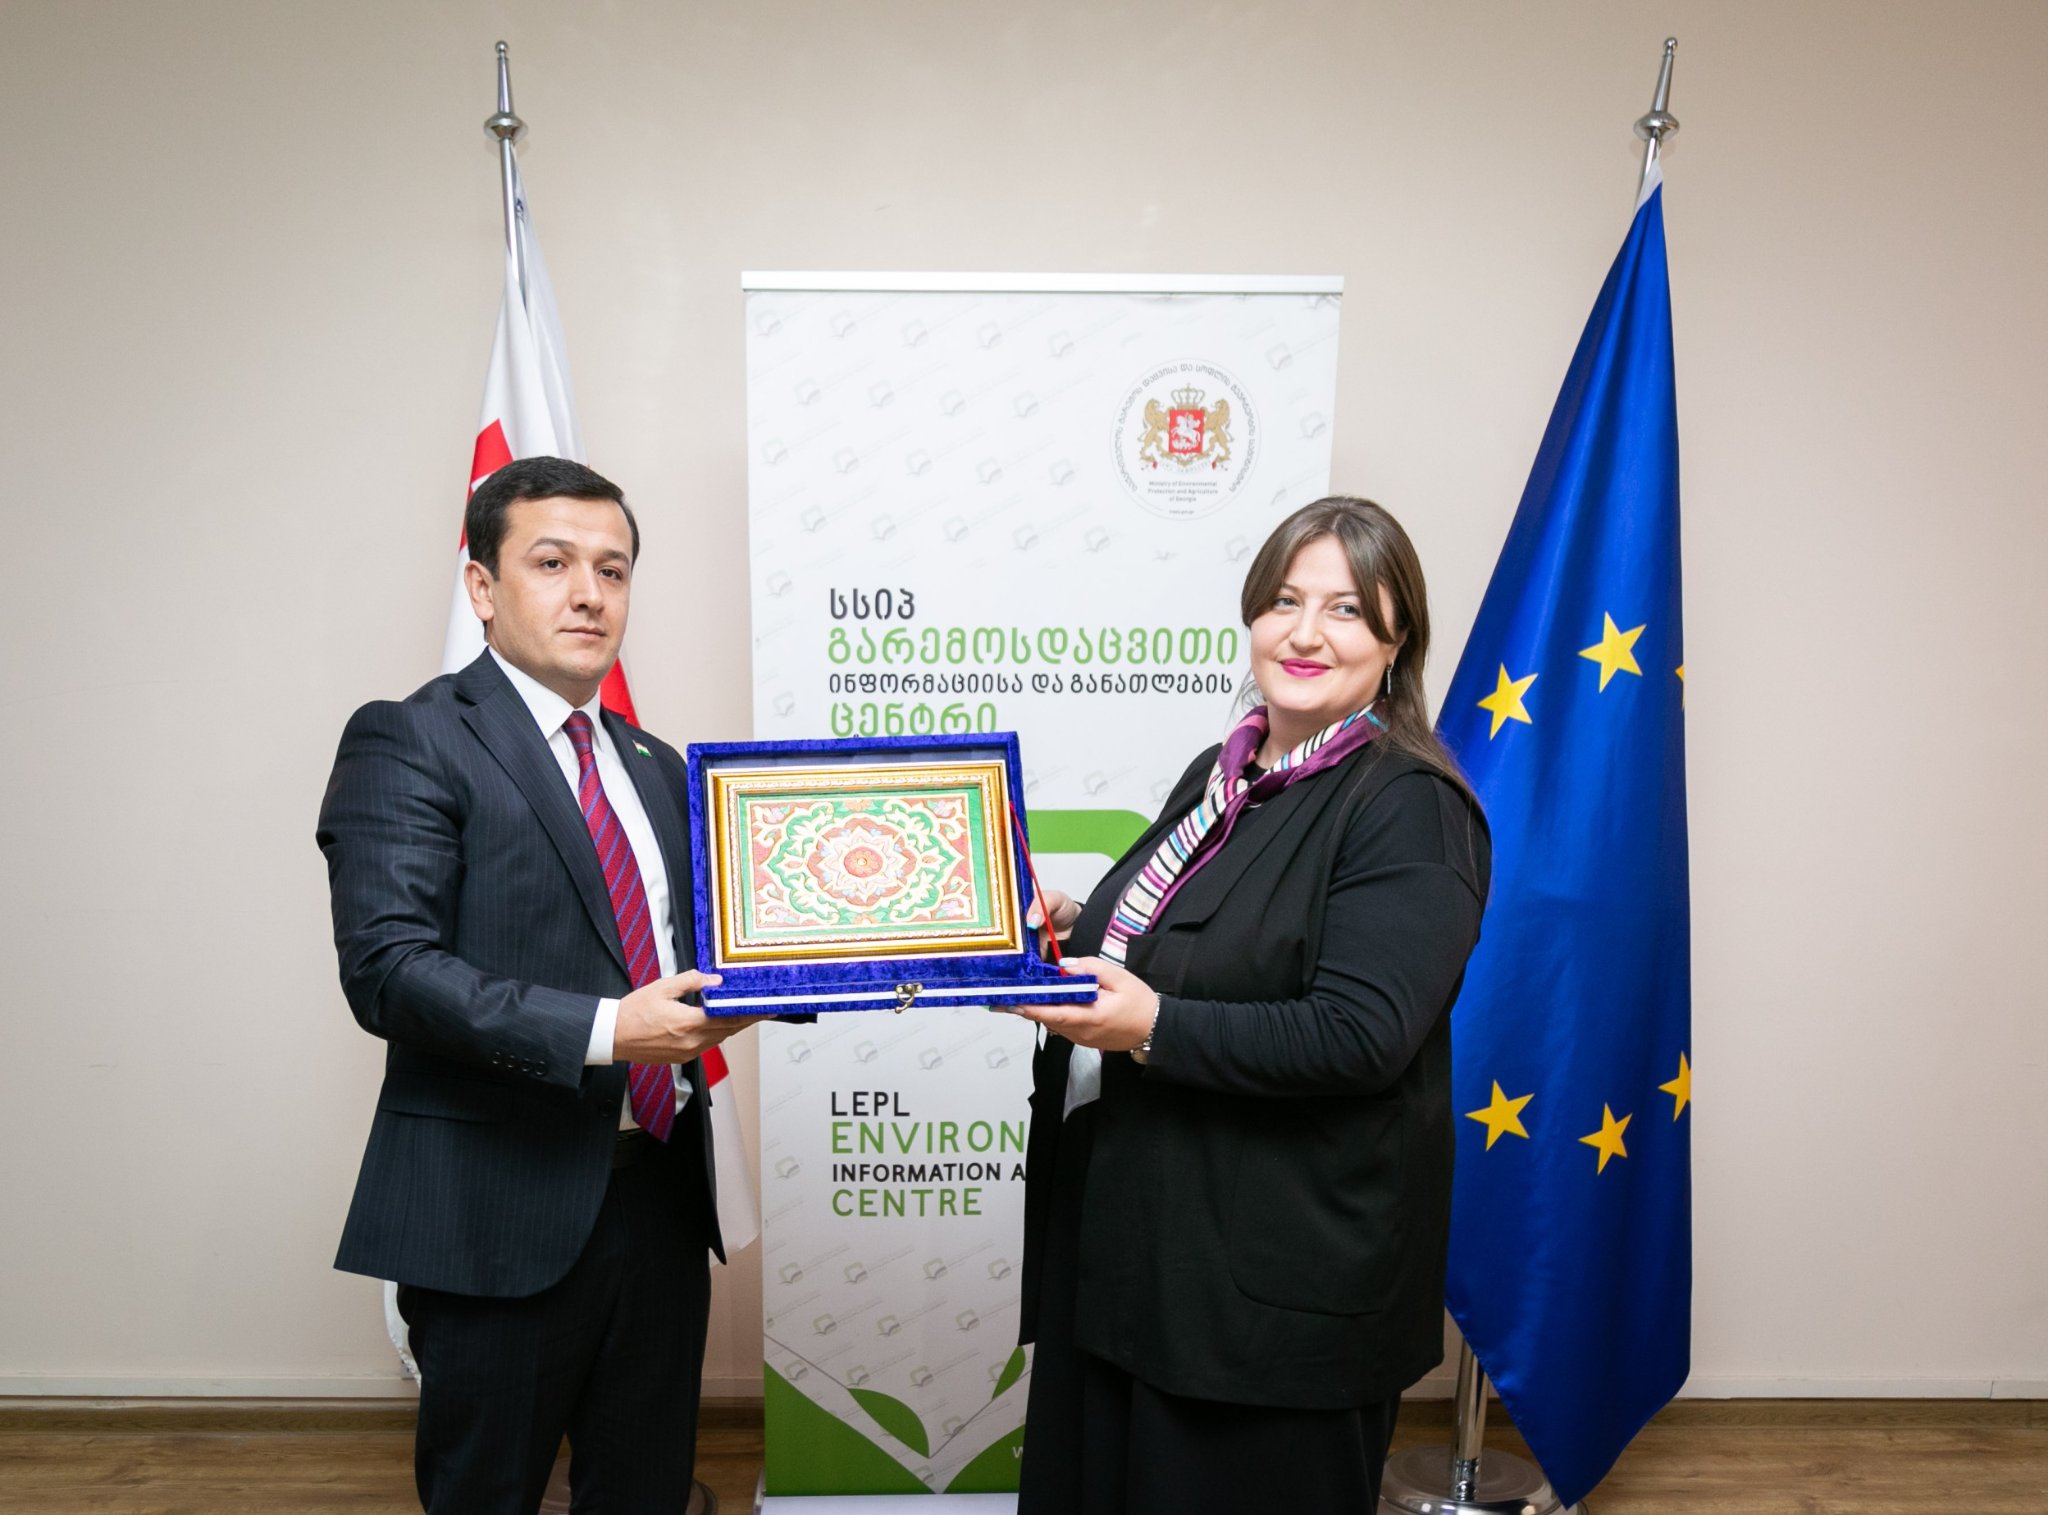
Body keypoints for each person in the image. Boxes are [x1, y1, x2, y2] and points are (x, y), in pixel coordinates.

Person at [1009, 496, 1492, 1514]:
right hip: (1134, 1257)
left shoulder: (1407, 805)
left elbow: (1358, 1035)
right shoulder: (1225, 773)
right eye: (1283, 601)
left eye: (1346, 610)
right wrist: (1073, 925)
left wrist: (1153, 1027)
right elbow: (1191, 945)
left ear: (1397, 641)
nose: (1305, 633)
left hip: (1273, 1304)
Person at [316, 455, 759, 1514]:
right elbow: (389, 970)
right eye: (552, 563)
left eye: (612, 569)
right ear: (482, 586)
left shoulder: (658, 764)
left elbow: (720, 951)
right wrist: (611, 1030)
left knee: (645, 1491)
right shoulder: (411, 737)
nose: (588, 593)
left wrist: (911, 943)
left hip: (658, 1195)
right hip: (495, 1210)